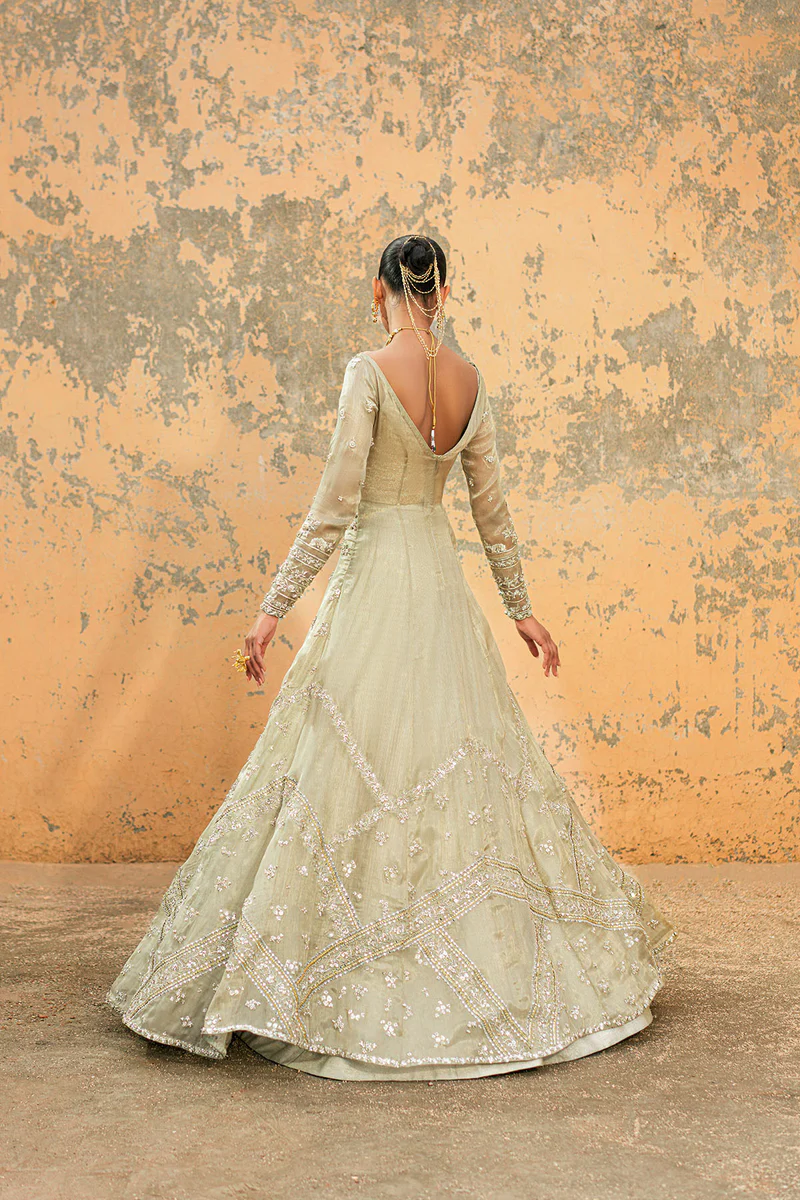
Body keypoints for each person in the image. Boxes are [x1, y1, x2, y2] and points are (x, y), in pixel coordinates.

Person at [107, 234, 675, 1081]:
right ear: (441, 292)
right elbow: (491, 509)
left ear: (382, 290)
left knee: (348, 758)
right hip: (438, 582)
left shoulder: (367, 372)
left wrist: (270, 611)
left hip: (375, 580)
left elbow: (335, 503)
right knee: (450, 756)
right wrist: (520, 609)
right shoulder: (471, 380)